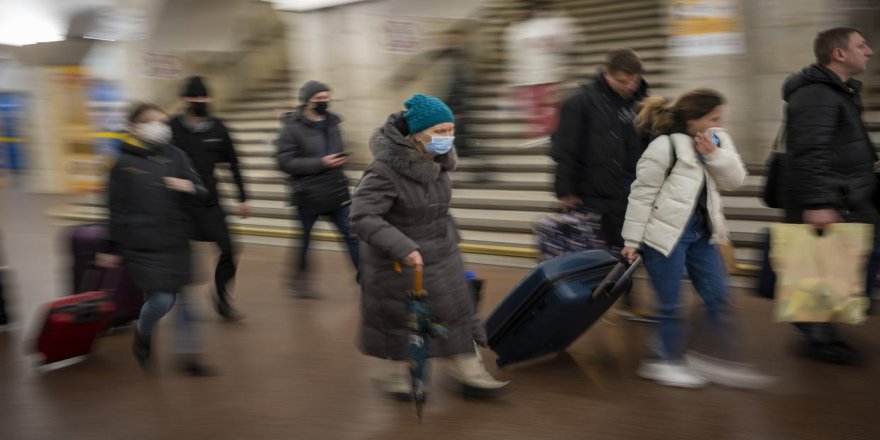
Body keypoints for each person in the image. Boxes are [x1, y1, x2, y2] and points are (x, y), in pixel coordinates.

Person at [350, 94, 510, 398]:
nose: (447, 138)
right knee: (405, 321)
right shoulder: (384, 171)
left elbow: (438, 208)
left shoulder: (438, 165)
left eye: (450, 130)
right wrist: (402, 247)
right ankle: (397, 376)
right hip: (402, 261)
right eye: (439, 131)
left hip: (443, 252)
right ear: (416, 135)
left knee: (458, 311)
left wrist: (452, 240)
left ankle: (468, 371)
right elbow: (362, 216)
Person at [622, 89, 771, 389]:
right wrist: (631, 240)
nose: (720, 125)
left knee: (718, 296)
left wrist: (713, 155)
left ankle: (715, 358)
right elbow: (642, 194)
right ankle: (663, 362)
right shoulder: (664, 146)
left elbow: (735, 179)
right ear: (693, 119)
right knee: (670, 304)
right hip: (663, 235)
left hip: (703, 233)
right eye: (714, 118)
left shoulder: (716, 140)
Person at [781, 27, 876, 364]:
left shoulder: (838, 91)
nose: (869, 51)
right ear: (839, 54)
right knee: (821, 269)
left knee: (834, 267)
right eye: (861, 46)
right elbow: (810, 152)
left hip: (850, 194)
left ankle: (819, 329)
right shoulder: (817, 95)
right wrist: (819, 203)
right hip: (831, 198)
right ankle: (817, 338)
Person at [98, 103, 213, 376]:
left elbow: (202, 191)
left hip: (176, 239)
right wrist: (111, 246)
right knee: (162, 301)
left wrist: (190, 187)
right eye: (152, 122)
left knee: (187, 303)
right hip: (143, 243)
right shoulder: (123, 164)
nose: (160, 127)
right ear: (134, 127)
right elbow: (115, 208)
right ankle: (143, 330)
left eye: (163, 121)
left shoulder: (177, 156)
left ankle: (190, 359)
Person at [551, 48, 654, 321]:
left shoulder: (643, 101)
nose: (630, 86)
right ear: (606, 74)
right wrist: (565, 189)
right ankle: (597, 302)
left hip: (632, 188)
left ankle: (624, 300)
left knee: (629, 246)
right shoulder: (580, 101)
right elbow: (565, 147)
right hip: (594, 189)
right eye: (623, 81)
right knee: (605, 248)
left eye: (634, 80)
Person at [170, 76, 248, 321]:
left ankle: (222, 297)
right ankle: (176, 301)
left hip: (210, 202)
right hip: (180, 205)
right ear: (185, 100)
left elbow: (233, 164)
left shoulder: (218, 127)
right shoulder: (172, 127)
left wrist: (243, 197)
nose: (201, 101)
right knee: (178, 256)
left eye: (205, 97)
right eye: (196, 97)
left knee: (229, 249)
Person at [275, 81, 360, 298]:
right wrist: (321, 162)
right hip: (308, 194)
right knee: (305, 239)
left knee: (351, 235)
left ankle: (366, 277)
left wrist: (339, 160)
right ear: (307, 100)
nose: (323, 102)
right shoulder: (292, 127)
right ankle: (298, 281)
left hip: (335, 191)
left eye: (326, 97)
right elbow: (285, 162)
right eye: (318, 98)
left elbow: (337, 149)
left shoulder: (333, 122)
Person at [504, 0, 575, 137]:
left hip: (547, 75)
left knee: (549, 106)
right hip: (534, 77)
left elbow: (566, 45)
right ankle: (545, 132)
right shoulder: (520, 29)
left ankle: (552, 132)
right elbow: (515, 56)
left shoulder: (554, 24)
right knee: (539, 107)